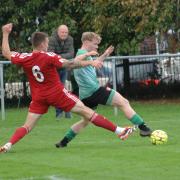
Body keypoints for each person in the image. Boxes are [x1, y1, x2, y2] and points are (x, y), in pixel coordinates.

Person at [0, 23, 135, 153]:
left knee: (27, 126)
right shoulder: (49, 56)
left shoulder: (25, 57)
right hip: (57, 94)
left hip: (39, 97)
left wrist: (5, 33)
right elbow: (70, 64)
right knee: (88, 113)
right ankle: (120, 131)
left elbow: (6, 52)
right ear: (42, 44)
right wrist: (90, 62)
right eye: (47, 42)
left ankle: (8, 144)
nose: (48, 45)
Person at [56, 32, 152, 148]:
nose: (97, 47)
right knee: (123, 102)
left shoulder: (86, 54)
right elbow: (76, 62)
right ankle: (143, 127)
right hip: (94, 90)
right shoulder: (82, 53)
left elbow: (92, 64)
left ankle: (64, 141)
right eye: (95, 44)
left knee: (85, 121)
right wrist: (91, 57)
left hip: (86, 95)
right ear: (86, 42)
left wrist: (105, 54)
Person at [48, 24, 74, 119]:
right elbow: (51, 54)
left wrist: (58, 56)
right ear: (58, 32)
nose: (64, 34)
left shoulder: (70, 39)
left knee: (62, 90)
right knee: (57, 91)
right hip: (53, 69)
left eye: (66, 32)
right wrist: (63, 56)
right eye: (62, 32)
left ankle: (66, 111)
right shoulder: (52, 39)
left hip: (64, 68)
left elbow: (71, 54)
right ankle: (60, 112)